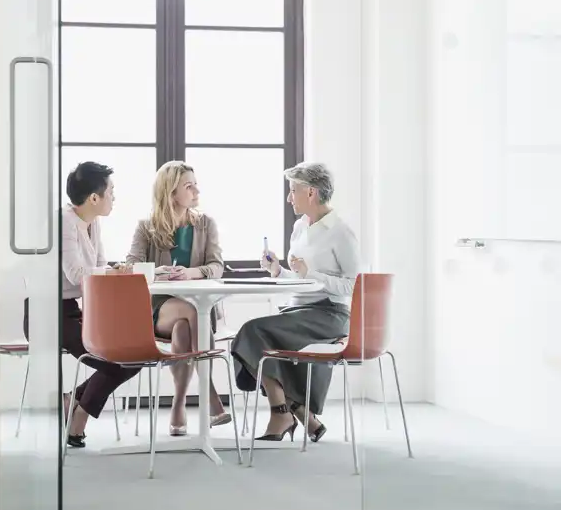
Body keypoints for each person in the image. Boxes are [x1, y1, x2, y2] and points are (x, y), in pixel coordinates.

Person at [232, 162, 360, 442]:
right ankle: (299, 413)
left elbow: (353, 286)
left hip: (330, 314)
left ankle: (283, 413)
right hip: (298, 311)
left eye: (293, 191)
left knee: (252, 331)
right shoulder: (299, 227)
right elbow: (301, 278)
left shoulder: (340, 232)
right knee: (256, 339)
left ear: (311, 192)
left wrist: (310, 273)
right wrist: (278, 270)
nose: (289, 198)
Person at [23, 161, 142, 448]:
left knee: (133, 355)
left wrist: (113, 271)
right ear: (94, 198)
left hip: (74, 310)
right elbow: (76, 274)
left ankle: (73, 399)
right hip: (47, 315)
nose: (114, 197)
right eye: (111, 191)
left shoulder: (92, 223)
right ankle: (79, 420)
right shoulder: (63, 221)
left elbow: (99, 267)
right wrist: (110, 273)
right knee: (116, 361)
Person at [126, 160, 230, 436]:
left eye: (196, 184)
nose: (197, 191)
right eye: (189, 186)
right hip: (161, 309)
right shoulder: (146, 227)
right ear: (171, 192)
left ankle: (178, 403)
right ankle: (210, 394)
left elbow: (217, 266)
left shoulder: (205, 224)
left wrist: (191, 273)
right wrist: (159, 273)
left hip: (199, 307)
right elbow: (132, 267)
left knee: (185, 327)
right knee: (190, 313)